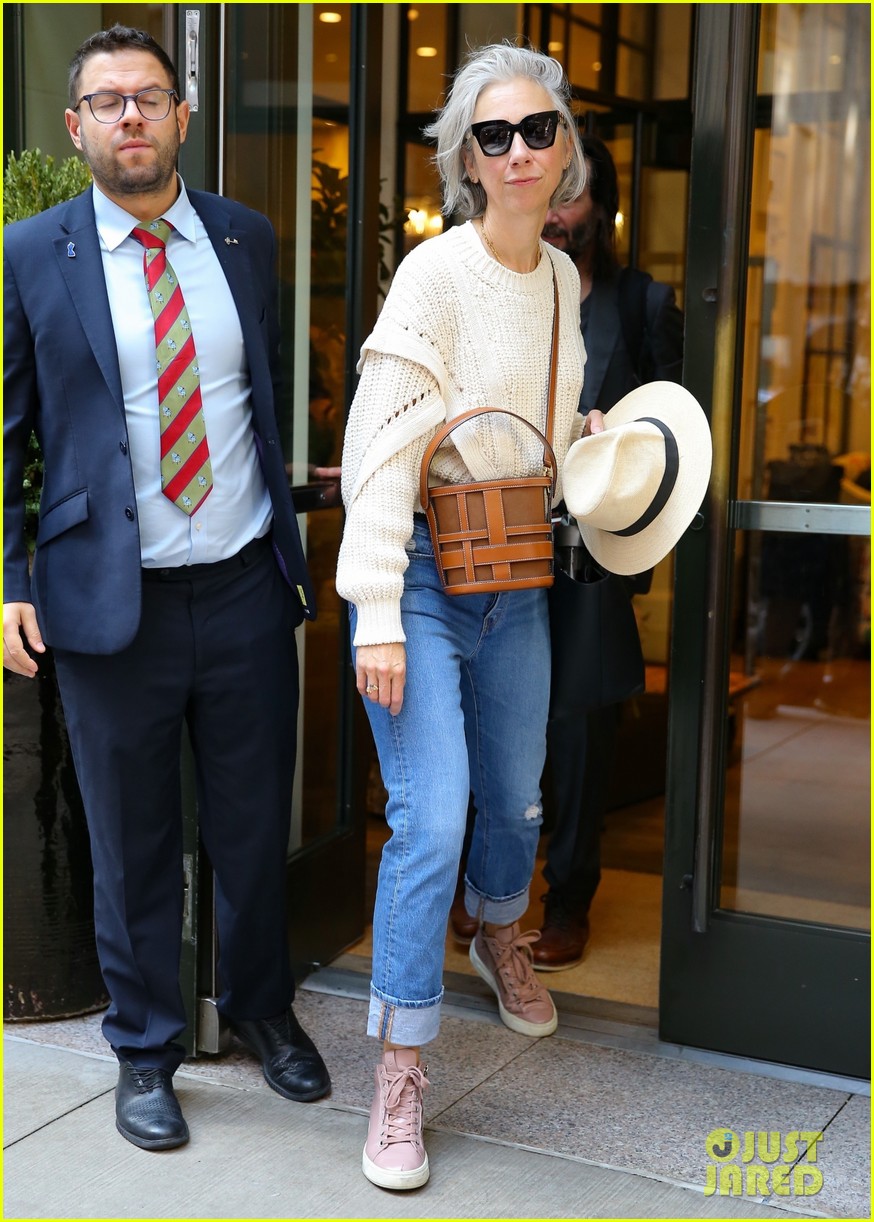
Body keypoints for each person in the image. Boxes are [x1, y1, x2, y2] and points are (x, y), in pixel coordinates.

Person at [3, 25, 330, 1152]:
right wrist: (7, 580)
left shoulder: (244, 236)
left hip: (241, 585)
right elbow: (6, 437)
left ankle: (260, 1010)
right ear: (77, 127)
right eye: (107, 101)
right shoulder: (31, 253)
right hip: (108, 604)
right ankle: (144, 1051)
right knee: (133, 838)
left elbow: (265, 398)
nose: (130, 116)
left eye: (148, 97)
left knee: (250, 828)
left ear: (183, 116)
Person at [336, 44, 594, 1191]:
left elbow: (531, 429)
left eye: (536, 129)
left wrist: (586, 451)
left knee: (521, 797)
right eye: (493, 136)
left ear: (562, 145)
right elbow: (383, 447)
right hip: (426, 581)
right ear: (466, 159)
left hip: (519, 576)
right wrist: (378, 611)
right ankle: (399, 1072)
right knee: (431, 819)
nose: (519, 151)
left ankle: (497, 928)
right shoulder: (435, 276)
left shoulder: (563, 281)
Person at [533, 134, 685, 969]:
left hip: (594, 558)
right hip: (511, 543)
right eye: (550, 194)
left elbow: (679, 436)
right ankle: (488, 896)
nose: (557, 211)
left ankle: (567, 902)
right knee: (496, 716)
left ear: (605, 206)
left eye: (573, 194)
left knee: (582, 734)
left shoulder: (643, 302)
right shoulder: (515, 295)